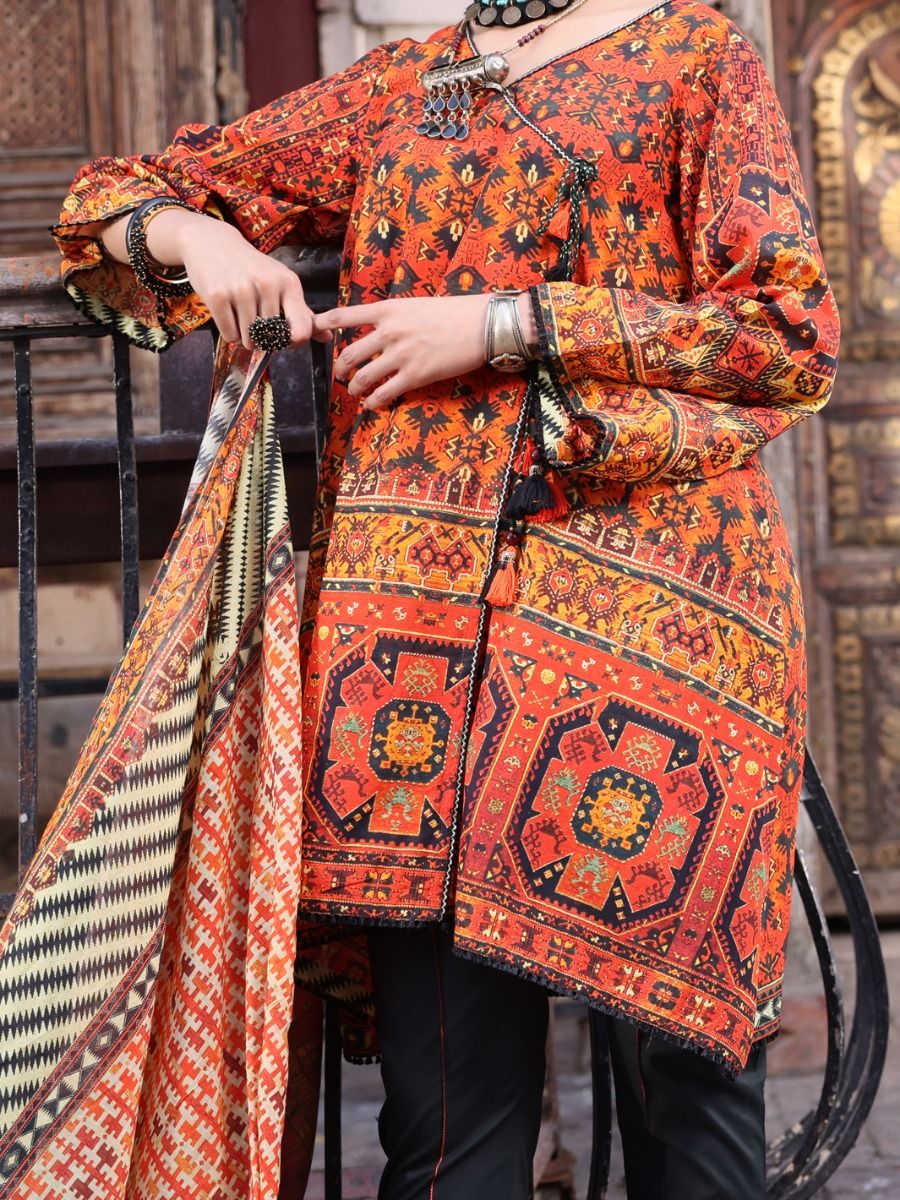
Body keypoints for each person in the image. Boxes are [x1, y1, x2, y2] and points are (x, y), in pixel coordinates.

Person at [48, 1, 840, 1197]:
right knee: (444, 1119)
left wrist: (504, 325)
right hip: (409, 646)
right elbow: (112, 198)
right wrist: (197, 238)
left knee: (684, 1093)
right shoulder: (407, 84)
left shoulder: (696, 55)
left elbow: (785, 333)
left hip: (655, 618)